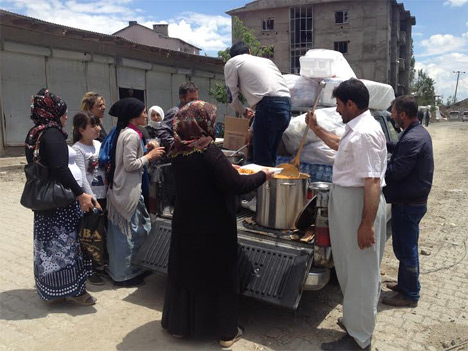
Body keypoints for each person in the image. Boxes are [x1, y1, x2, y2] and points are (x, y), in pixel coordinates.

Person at [161, 100, 274, 347]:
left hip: (186, 223)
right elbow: (236, 185)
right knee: (218, 274)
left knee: (187, 271)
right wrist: (263, 175)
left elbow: (204, 176)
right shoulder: (208, 149)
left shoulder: (178, 148)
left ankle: (180, 326)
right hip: (212, 227)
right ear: (204, 122)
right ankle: (226, 333)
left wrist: (227, 168)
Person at [305, 79, 387, 350]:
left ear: (351, 104)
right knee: (349, 269)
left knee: (361, 272)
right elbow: (340, 144)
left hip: (358, 204)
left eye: (339, 104)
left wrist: (366, 224)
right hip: (348, 201)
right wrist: (316, 128)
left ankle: (359, 339)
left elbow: (372, 182)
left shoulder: (365, 133)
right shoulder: (357, 130)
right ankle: (355, 321)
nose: (337, 109)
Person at [25, 88, 96, 306]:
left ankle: (52, 290)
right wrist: (80, 194)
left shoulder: (34, 132)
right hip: (60, 204)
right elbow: (60, 168)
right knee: (66, 246)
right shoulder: (52, 133)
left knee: (48, 247)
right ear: (53, 112)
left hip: (46, 204)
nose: (66, 116)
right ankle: (74, 290)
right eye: (63, 112)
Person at [106, 97, 165, 287]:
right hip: (128, 191)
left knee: (125, 234)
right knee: (128, 235)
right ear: (133, 115)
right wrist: (150, 156)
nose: (145, 115)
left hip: (122, 189)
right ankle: (125, 275)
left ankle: (124, 271)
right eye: (143, 111)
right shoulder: (131, 135)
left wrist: (145, 150)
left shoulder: (126, 132)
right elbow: (130, 165)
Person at [382, 95, 434, 308]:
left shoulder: (414, 138)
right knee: (404, 245)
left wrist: (372, 168)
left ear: (402, 114)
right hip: (409, 200)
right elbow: (397, 147)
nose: (392, 116)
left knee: (407, 248)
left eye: (393, 112)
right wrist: (379, 142)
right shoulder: (414, 133)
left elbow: (397, 172)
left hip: (409, 203)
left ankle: (410, 294)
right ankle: (405, 284)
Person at [224, 41, 291, 166]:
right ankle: (271, 185)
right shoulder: (267, 61)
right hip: (286, 106)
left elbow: (232, 99)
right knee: (270, 157)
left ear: (232, 56)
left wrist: (243, 111)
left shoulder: (232, 63)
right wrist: (253, 129)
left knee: (261, 161)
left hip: (268, 108)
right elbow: (268, 98)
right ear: (249, 52)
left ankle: (261, 185)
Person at [72, 111, 108, 285]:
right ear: (81, 129)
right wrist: (93, 199)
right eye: (93, 125)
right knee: (89, 235)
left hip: (105, 195)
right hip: (91, 200)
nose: (97, 128)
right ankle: (90, 268)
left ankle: (101, 264)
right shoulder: (77, 149)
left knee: (102, 233)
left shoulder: (99, 145)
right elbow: (82, 177)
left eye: (98, 124)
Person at [155, 82, 199, 153]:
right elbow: (162, 131)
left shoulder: (193, 112)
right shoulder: (175, 112)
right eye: (191, 99)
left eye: (196, 99)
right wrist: (176, 144)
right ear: (182, 98)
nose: (195, 103)